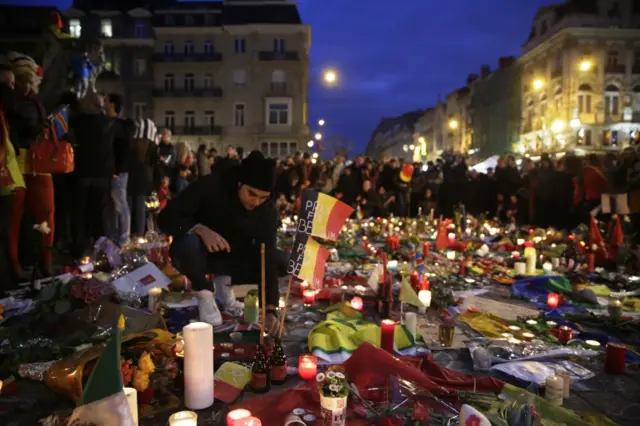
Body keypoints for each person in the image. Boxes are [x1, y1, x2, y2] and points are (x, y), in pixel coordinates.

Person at [158, 151, 283, 334]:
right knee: (187, 243)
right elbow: (166, 217)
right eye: (251, 194)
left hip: (233, 260)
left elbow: (268, 254)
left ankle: (224, 288)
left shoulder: (267, 209)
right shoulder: (211, 185)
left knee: (282, 260)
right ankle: (205, 293)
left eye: (263, 197)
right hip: (200, 255)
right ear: (240, 183)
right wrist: (199, 228)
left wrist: (271, 308)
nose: (256, 202)